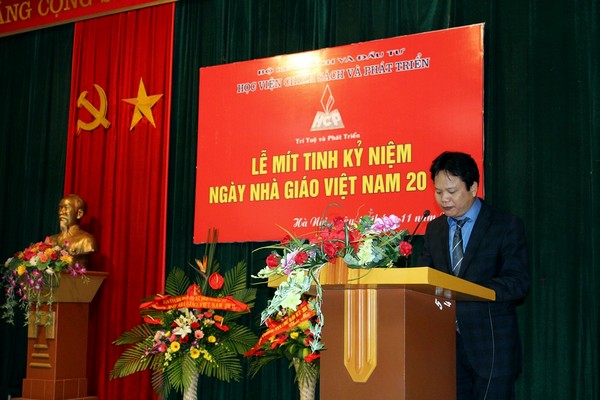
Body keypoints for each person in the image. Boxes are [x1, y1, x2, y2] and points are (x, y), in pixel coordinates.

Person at [419, 151, 530, 400]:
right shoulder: (435, 229)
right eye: (438, 192)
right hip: (446, 348)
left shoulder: (505, 225)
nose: (444, 199)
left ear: (473, 187)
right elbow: (425, 279)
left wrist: (468, 290)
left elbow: (518, 282)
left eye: (451, 191)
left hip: (491, 345)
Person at [50, 194, 97, 267]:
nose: (61, 212)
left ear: (79, 214)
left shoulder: (86, 240)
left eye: (66, 208)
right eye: (60, 208)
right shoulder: (51, 239)